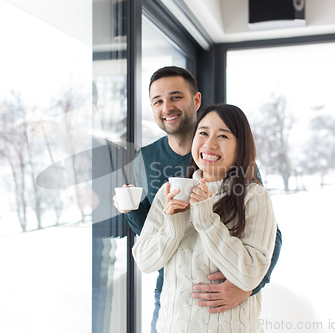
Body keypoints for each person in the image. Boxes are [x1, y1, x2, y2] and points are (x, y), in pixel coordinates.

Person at [113, 66, 282, 332]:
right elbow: (148, 233)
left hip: (224, 304)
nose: (167, 107)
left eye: (175, 97)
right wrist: (131, 210)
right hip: (171, 294)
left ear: (196, 100)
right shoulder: (146, 159)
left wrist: (248, 287)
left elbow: (270, 238)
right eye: (158, 101)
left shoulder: (248, 189)